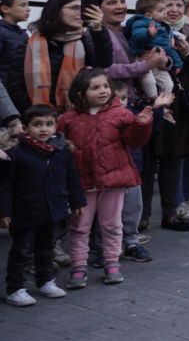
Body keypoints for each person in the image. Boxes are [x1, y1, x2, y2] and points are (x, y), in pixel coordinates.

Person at [58, 69, 155, 289]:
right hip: (82, 182)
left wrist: (142, 124)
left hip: (113, 180)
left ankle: (112, 263)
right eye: (95, 87)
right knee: (80, 226)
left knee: (111, 224)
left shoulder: (120, 114)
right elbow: (59, 146)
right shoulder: (68, 120)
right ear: (81, 93)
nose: (103, 91)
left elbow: (134, 141)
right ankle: (79, 266)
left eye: (105, 86)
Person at [3, 105, 84, 306]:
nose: (44, 129)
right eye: (37, 125)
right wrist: (5, 211)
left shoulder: (61, 150)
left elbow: (72, 177)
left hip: (52, 209)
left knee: (46, 247)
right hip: (24, 211)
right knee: (21, 250)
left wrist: (77, 200)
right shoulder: (17, 153)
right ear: (25, 127)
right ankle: (15, 288)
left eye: (49, 124)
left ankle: (45, 280)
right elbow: (5, 185)